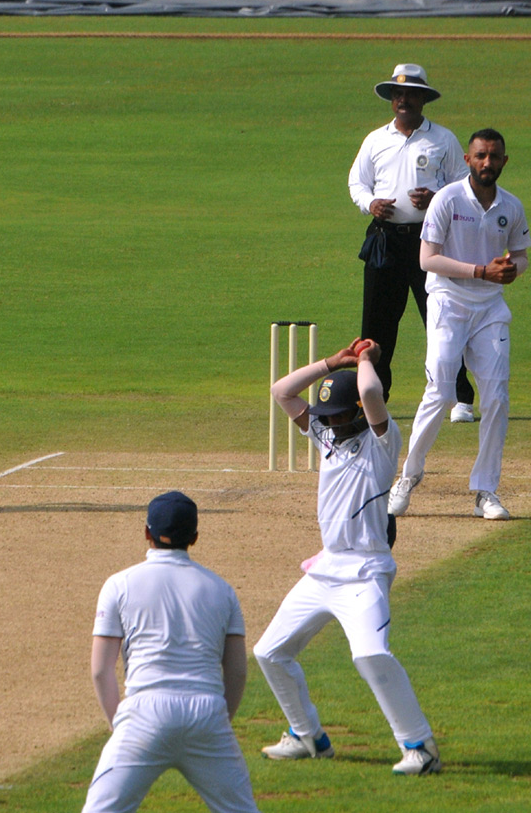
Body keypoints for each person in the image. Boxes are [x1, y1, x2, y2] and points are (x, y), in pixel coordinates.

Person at [256, 338, 441, 776]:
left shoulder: (382, 443)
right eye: (328, 417)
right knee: (270, 652)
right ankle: (308, 737)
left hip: (365, 573)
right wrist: (331, 362)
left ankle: (421, 748)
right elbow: (282, 391)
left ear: (357, 411)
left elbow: (373, 393)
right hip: (325, 569)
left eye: (340, 415)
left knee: (370, 654)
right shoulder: (325, 437)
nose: (332, 423)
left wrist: (364, 360)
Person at [81, 491, 260, 813]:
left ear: (146, 533)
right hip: (206, 713)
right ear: (194, 537)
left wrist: (117, 724)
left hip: (143, 714)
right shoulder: (223, 590)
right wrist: (218, 722)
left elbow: (100, 670)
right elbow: (236, 671)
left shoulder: (118, 584)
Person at [388, 129, 529, 520]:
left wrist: (510, 271)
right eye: (481, 155)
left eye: (495, 156)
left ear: (503, 161)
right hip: (448, 303)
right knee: (441, 392)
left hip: (489, 310)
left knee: (497, 396)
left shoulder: (511, 206)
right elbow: (427, 259)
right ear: (468, 160)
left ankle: (486, 491)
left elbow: (520, 255)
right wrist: (482, 270)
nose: (487, 162)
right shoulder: (447, 200)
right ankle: (408, 477)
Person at [348, 63, 475, 420]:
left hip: (429, 241)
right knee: (376, 325)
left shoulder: (443, 139)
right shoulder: (376, 139)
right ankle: (373, 399)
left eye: (411, 94)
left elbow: (463, 185)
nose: (404, 100)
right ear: (392, 100)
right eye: (398, 94)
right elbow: (358, 183)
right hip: (385, 240)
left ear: (423, 100)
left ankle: (461, 398)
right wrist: (369, 204)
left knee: (442, 319)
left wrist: (435, 198)